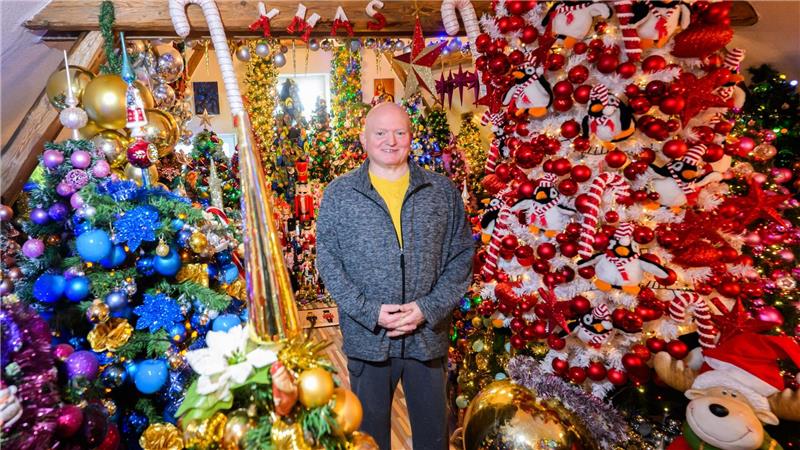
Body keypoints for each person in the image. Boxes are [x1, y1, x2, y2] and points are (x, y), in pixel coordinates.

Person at [316, 102, 474, 450]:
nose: (391, 141)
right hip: (368, 340)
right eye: (381, 133)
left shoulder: (441, 192)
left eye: (399, 132)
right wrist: (369, 312)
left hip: (427, 337)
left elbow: (462, 256)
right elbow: (328, 261)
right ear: (364, 139)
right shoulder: (340, 194)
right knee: (369, 440)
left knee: (433, 439)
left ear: (410, 137)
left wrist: (427, 309)